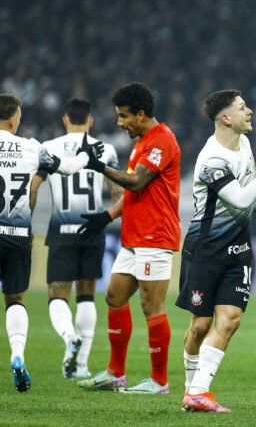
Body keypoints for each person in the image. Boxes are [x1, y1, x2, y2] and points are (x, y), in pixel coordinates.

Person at [176, 89, 256, 412]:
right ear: (226, 118)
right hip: (205, 249)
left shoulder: (245, 145)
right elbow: (238, 199)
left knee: (231, 319)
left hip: (238, 250)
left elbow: (251, 192)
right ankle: (191, 388)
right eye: (242, 108)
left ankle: (198, 391)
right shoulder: (211, 159)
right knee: (199, 326)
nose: (250, 111)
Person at [0, 93, 102, 393]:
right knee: (16, 300)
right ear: (13, 119)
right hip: (19, 237)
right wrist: (88, 155)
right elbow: (69, 167)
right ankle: (17, 355)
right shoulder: (31, 148)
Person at [77, 82, 181, 394]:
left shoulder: (162, 140)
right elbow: (136, 191)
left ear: (141, 114)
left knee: (152, 306)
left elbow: (136, 182)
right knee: (114, 296)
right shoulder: (142, 142)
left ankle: (159, 381)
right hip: (134, 236)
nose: (120, 123)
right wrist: (106, 217)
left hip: (155, 235)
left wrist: (99, 167)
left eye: (124, 117)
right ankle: (115, 372)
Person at [30, 98, 123, 380]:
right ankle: (81, 366)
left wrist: (27, 221)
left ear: (65, 119)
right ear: (91, 121)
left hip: (61, 229)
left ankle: (70, 336)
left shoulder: (49, 147)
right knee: (86, 297)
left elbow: (34, 186)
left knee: (57, 294)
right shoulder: (105, 149)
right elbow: (118, 192)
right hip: (93, 230)